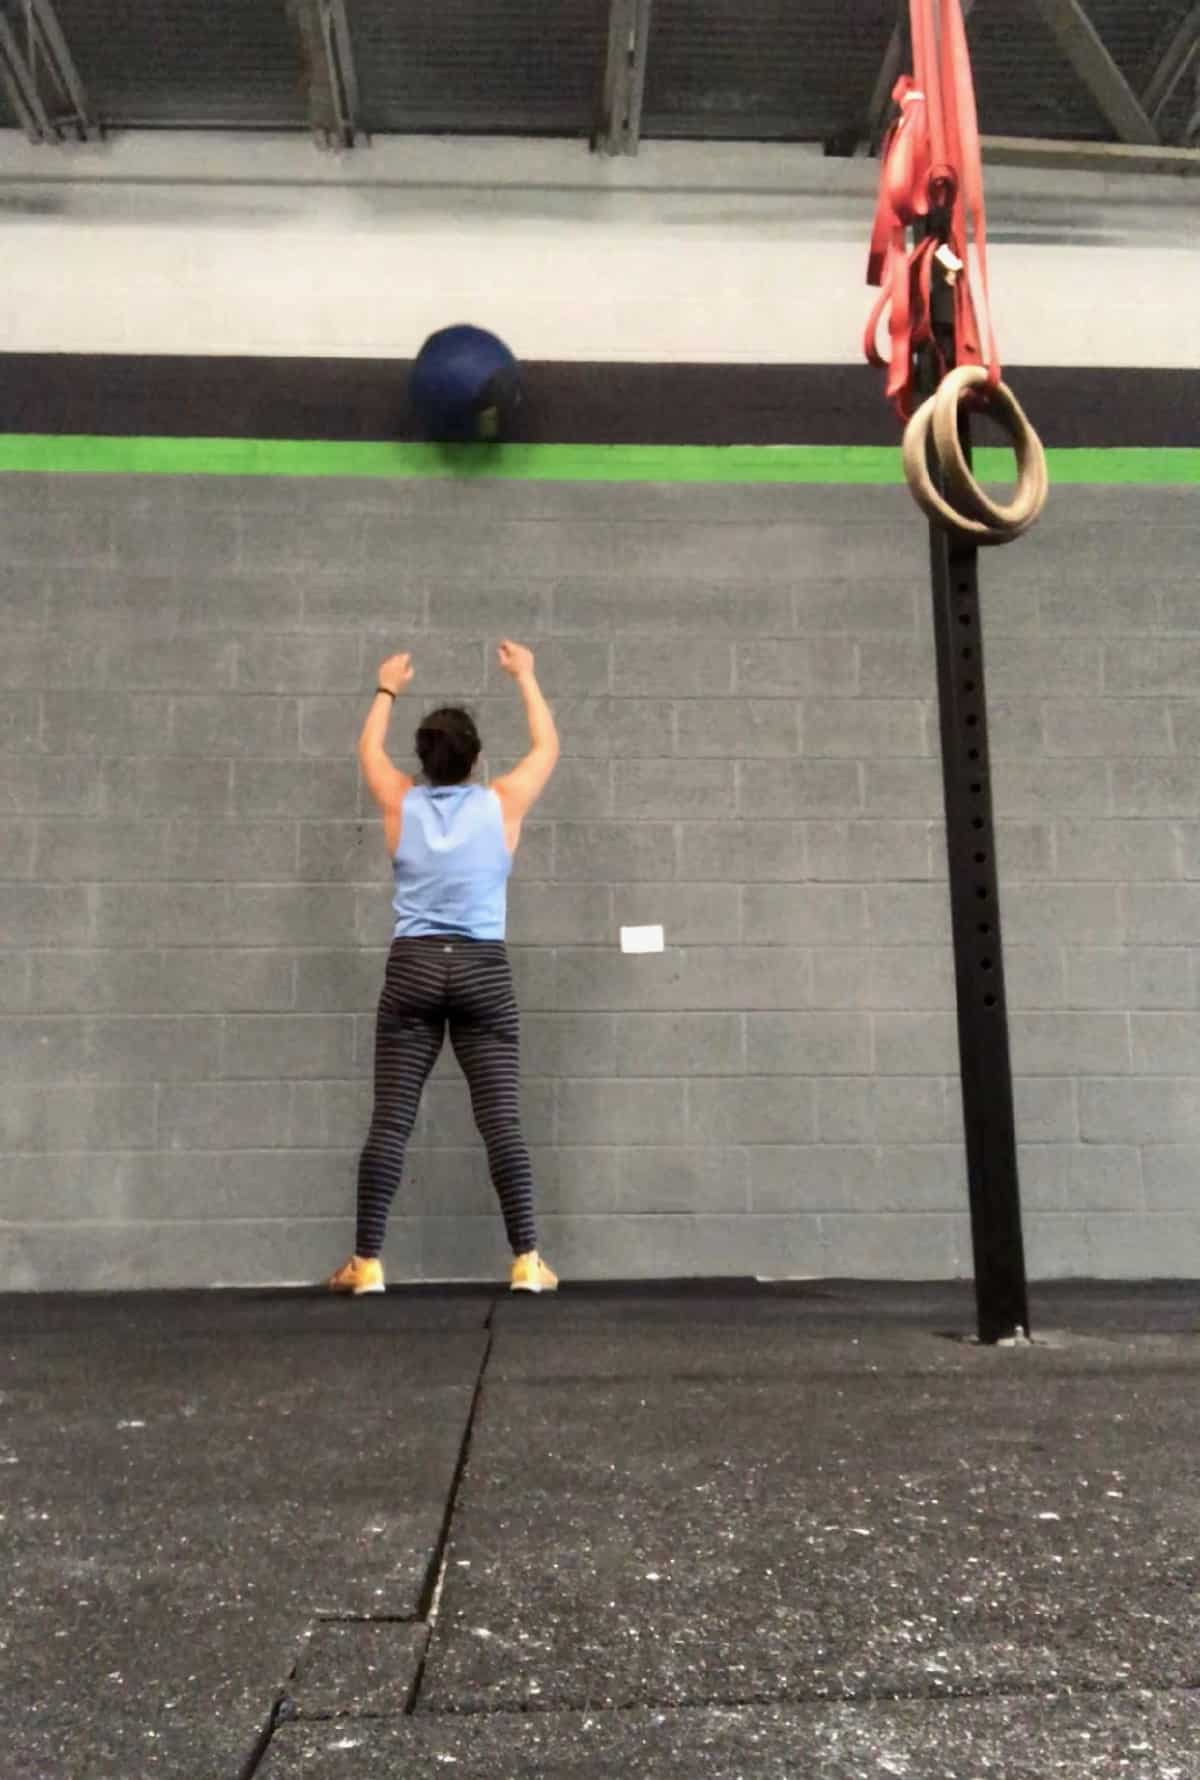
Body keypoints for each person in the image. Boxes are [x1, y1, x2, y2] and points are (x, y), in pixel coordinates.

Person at [327, 640, 560, 1297]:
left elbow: (368, 752)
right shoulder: (502, 802)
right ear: (477, 761)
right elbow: (547, 747)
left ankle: (366, 1264)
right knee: (501, 1122)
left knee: (391, 1122)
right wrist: (526, 676)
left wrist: (385, 689)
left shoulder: (400, 801)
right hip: (483, 969)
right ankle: (527, 1261)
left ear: (423, 762)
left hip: (415, 968)